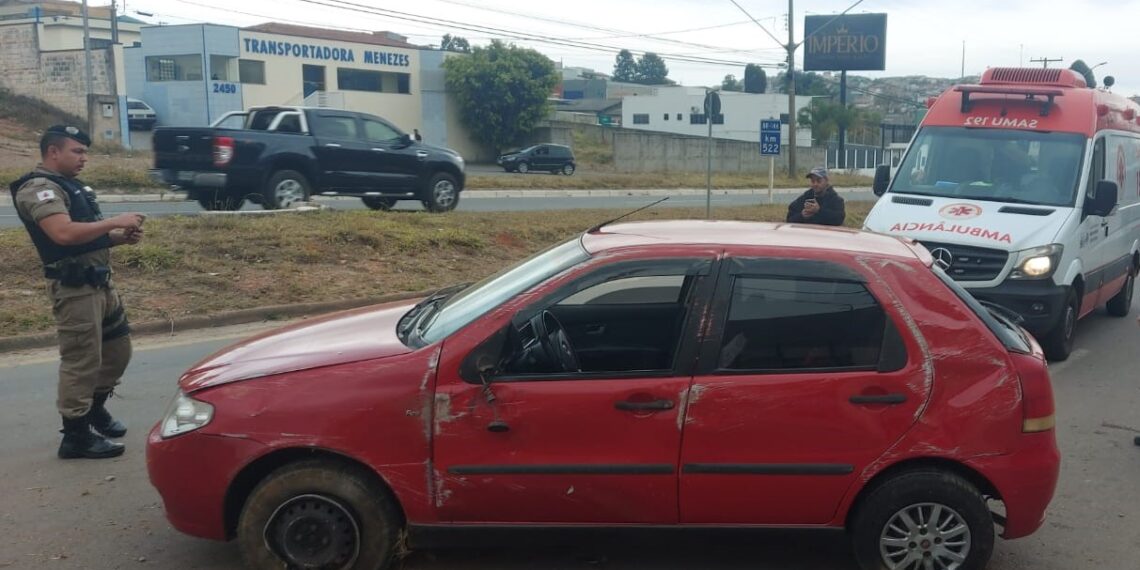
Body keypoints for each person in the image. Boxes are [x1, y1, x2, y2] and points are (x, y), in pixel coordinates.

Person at [9, 125, 146, 460]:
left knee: (117, 352)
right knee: (81, 361)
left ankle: (94, 409)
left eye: (85, 152)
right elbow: (64, 234)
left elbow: (85, 234)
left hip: (100, 282)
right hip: (74, 289)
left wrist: (116, 238)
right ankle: (75, 435)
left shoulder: (72, 186)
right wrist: (114, 222)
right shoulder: (38, 188)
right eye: (77, 151)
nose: (84, 158)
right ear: (53, 152)